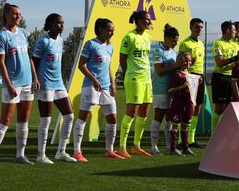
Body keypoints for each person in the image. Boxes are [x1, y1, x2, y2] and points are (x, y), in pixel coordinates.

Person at [0, 3, 39, 166]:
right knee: (6, 119)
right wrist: (8, 84)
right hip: (13, 84)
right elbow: (1, 63)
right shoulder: (2, 36)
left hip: (27, 83)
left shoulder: (23, 33)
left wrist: (35, 78)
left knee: (24, 120)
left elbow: (29, 57)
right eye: (15, 14)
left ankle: (20, 155)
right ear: (6, 15)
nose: (18, 16)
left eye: (20, 14)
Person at [72, 18, 121, 161]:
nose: (112, 33)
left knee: (112, 119)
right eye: (109, 30)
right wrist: (94, 79)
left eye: (113, 30)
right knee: (83, 118)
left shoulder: (110, 46)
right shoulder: (91, 44)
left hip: (106, 87)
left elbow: (109, 67)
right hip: (91, 86)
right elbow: (81, 65)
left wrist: (112, 83)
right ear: (100, 29)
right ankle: (77, 152)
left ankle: (109, 150)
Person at [31, 13, 76, 164]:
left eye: (62, 23)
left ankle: (61, 152)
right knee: (46, 120)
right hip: (45, 84)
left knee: (69, 116)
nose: (61, 25)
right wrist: (35, 80)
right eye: (58, 23)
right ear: (50, 24)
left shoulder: (61, 41)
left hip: (58, 83)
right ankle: (41, 155)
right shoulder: (43, 41)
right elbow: (34, 61)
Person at [117, 10, 154, 157]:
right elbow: (122, 59)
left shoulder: (148, 37)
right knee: (131, 112)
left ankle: (136, 146)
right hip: (134, 79)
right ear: (138, 21)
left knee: (144, 112)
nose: (149, 21)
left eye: (149, 19)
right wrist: (128, 73)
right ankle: (121, 147)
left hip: (147, 79)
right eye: (146, 19)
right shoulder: (129, 37)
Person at [150, 24, 183, 154]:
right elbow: (159, 71)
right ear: (166, 38)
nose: (175, 43)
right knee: (159, 117)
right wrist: (176, 66)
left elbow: (176, 69)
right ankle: (154, 147)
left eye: (177, 41)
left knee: (170, 118)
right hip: (161, 89)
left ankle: (170, 146)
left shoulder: (174, 52)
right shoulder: (158, 51)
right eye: (174, 40)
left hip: (172, 89)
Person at [177, 18, 206, 146]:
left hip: (200, 76)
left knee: (198, 107)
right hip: (190, 76)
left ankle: (191, 139)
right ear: (190, 27)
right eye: (196, 27)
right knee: (188, 107)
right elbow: (180, 62)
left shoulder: (201, 43)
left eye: (201, 27)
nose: (199, 29)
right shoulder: (185, 43)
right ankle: (180, 139)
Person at [210, 21, 239, 129]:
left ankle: (223, 132)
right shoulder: (218, 44)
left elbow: (234, 62)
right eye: (234, 30)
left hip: (231, 78)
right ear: (228, 30)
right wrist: (236, 58)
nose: (235, 32)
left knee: (228, 107)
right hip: (220, 77)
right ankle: (213, 134)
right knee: (219, 107)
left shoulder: (232, 44)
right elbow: (219, 62)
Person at [166, 52, 195, 155]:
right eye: (185, 60)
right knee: (175, 125)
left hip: (189, 103)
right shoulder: (177, 74)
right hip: (178, 103)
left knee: (186, 125)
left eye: (189, 60)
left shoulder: (192, 76)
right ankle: (173, 149)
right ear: (180, 61)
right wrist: (183, 86)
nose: (187, 62)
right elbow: (170, 90)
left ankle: (185, 148)